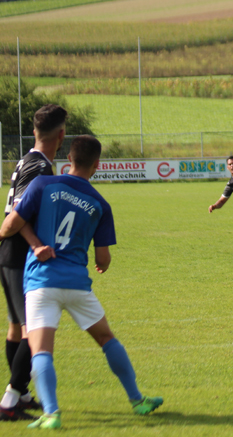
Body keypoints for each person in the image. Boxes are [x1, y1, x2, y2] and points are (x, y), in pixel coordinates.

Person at [0, 135, 162, 429]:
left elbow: (11, 225)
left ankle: (51, 414)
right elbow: (103, 259)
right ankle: (137, 400)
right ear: (97, 165)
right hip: (76, 284)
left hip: (41, 282)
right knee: (107, 339)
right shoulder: (101, 203)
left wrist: (28, 240)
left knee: (41, 350)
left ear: (69, 159)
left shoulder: (42, 184)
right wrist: (100, 264)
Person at [0, 105, 66, 422]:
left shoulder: (28, 160)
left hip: (10, 255)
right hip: (18, 255)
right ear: (61, 135)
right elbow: (17, 214)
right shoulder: (39, 167)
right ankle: (9, 400)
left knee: (17, 327)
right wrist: (37, 244)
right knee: (32, 330)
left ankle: (22, 394)